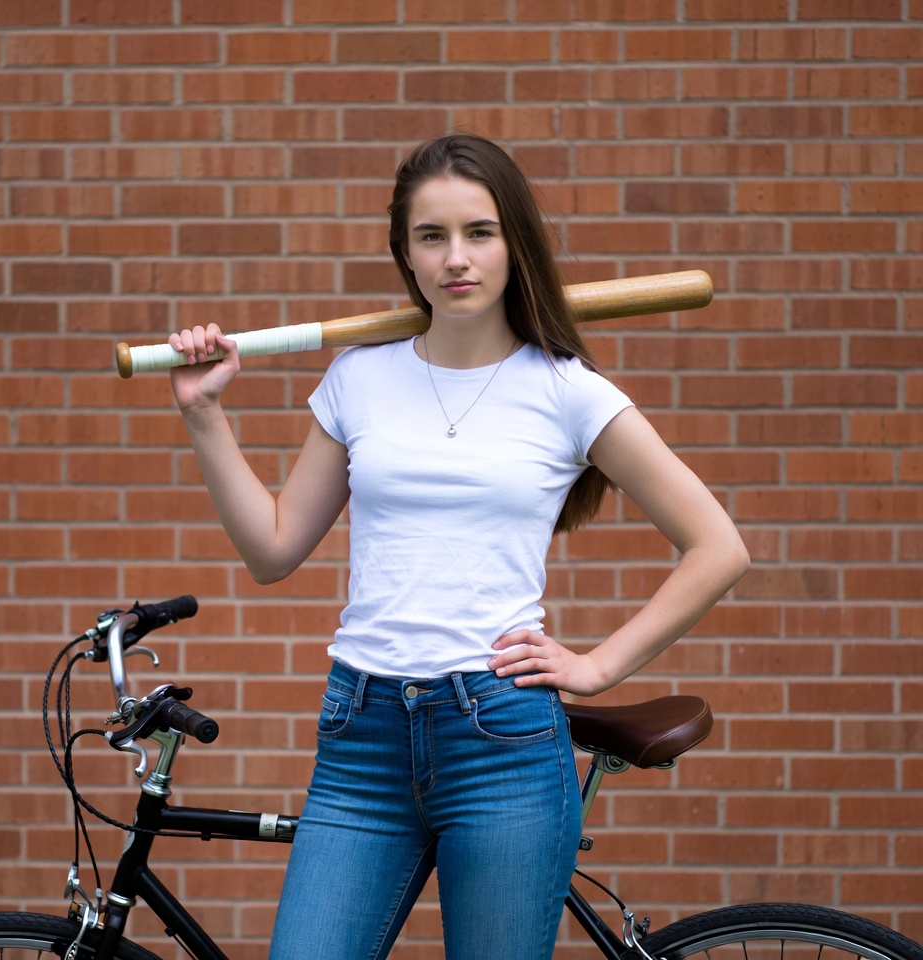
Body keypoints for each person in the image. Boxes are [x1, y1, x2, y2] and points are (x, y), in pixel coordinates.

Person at [167, 133, 750, 960]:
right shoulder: (359, 377)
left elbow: (718, 547)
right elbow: (272, 550)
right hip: (360, 735)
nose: (456, 258)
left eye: (479, 232)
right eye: (431, 236)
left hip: (501, 742)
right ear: (404, 254)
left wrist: (598, 666)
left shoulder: (567, 392)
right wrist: (204, 414)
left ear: (515, 242)